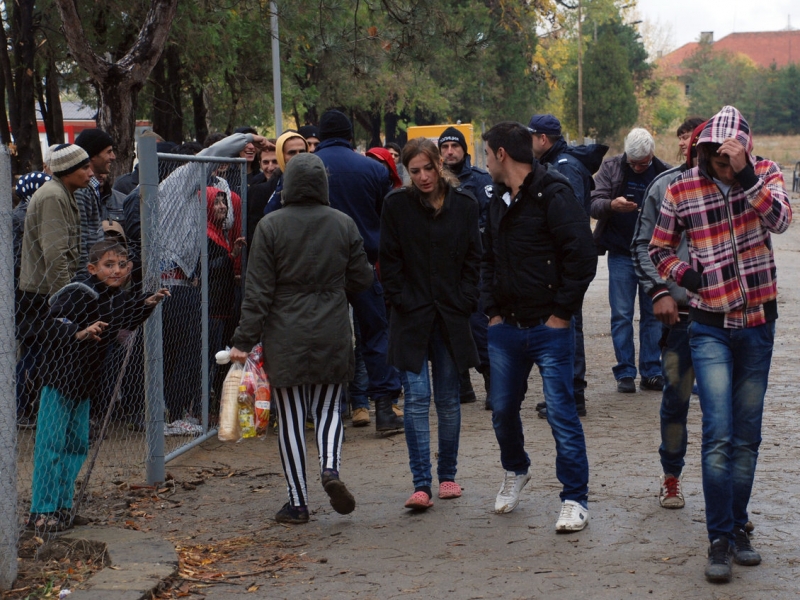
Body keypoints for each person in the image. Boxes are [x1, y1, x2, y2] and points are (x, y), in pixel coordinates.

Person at [649, 105, 792, 583]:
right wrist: (683, 276)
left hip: (757, 325)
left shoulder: (766, 174)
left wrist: (747, 175)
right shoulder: (683, 187)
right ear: (705, 150)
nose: (723, 165)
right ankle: (719, 536)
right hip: (708, 325)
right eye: (718, 156)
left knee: (747, 436)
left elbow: (780, 221)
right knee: (719, 433)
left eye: (733, 157)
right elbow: (658, 248)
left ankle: (736, 527)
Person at [229, 153, 374, 524]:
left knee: (292, 417)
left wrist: (243, 341)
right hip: (333, 328)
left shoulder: (270, 226)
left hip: (284, 332)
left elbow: (257, 290)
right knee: (328, 409)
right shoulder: (343, 224)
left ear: (288, 183)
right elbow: (362, 279)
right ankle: (330, 469)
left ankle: (297, 502)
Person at [481, 122, 596, 532]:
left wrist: (561, 314)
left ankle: (574, 498)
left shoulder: (555, 193)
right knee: (502, 411)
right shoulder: (495, 199)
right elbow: (488, 257)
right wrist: (491, 310)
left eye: (487, 153)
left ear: (500, 154)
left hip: (549, 329)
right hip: (505, 329)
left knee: (562, 414)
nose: (485, 161)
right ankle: (516, 470)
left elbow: (582, 257)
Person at [27, 240, 168, 532]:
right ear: (92, 268)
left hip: (85, 385)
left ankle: (62, 507)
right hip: (59, 381)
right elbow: (48, 323)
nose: (116, 270)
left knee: (76, 445)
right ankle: (41, 511)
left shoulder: (115, 296)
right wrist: (79, 333)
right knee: (50, 446)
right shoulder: (80, 292)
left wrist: (147, 304)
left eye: (121, 264)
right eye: (108, 264)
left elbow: (126, 314)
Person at [380, 138, 481, 509]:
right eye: (414, 170)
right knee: (417, 398)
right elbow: (387, 261)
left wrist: (466, 300)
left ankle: (448, 476)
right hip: (411, 315)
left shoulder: (464, 205)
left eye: (428, 168)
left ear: (441, 164)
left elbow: (475, 259)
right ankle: (421, 482)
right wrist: (401, 299)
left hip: (451, 315)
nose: (422, 177)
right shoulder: (397, 206)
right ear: (407, 172)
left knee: (449, 400)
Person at [631, 117, 705, 510]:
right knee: (675, 400)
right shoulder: (665, 186)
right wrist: (659, 291)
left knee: (721, 410)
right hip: (682, 319)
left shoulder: (738, 188)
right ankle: (671, 477)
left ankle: (725, 495)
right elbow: (642, 244)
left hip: (727, 318)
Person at [315, 109, 404, 430]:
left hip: (321, 269)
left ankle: (332, 411)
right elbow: (387, 219)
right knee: (376, 334)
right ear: (351, 135)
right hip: (364, 263)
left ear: (322, 135)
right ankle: (384, 407)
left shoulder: (307, 168)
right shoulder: (372, 170)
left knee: (327, 337)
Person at [528, 114, 608, 418]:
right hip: (561, 258)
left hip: (564, 260)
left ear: (542, 138)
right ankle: (565, 394)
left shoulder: (564, 167)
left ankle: (570, 396)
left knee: (566, 325)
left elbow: (568, 218)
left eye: (531, 136)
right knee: (562, 324)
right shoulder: (559, 163)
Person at [590, 127, 670, 393]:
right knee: (622, 315)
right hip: (621, 254)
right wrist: (612, 205)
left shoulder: (664, 173)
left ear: (652, 155)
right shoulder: (611, 167)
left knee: (653, 315)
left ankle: (651, 371)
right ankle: (625, 372)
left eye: (643, 163)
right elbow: (593, 202)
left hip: (654, 256)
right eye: (633, 163)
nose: (637, 168)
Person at [438, 126, 494, 408]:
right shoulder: (432, 183)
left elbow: (490, 222)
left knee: (477, 324)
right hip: (444, 269)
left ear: (464, 150)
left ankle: (490, 378)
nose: (450, 152)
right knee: (448, 326)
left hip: (476, 266)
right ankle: (461, 384)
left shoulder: (482, 181)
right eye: (445, 147)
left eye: (455, 147)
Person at [74, 128, 116, 274]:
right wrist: (87, 280)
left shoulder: (92, 187)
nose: (113, 157)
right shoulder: (81, 190)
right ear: (92, 155)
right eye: (108, 152)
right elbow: (82, 240)